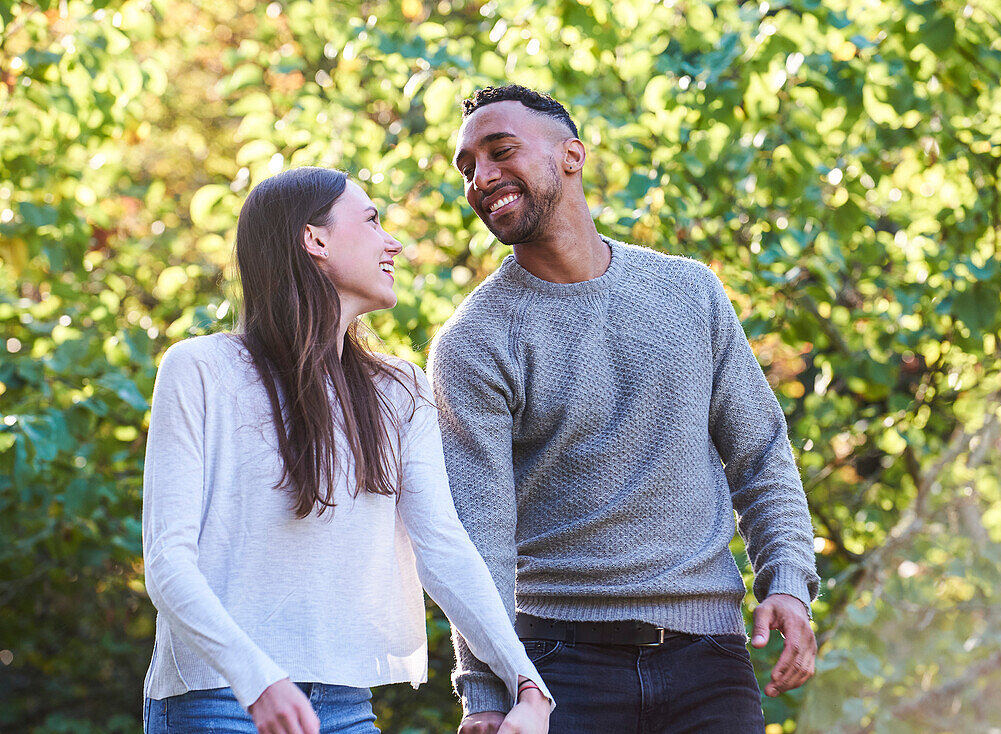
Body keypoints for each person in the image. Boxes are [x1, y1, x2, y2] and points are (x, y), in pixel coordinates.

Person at [427, 85, 820, 734]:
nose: (481, 177)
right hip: (557, 668)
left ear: (572, 156)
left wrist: (788, 582)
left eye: (500, 152)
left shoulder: (688, 291)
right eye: (467, 167)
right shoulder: (474, 342)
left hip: (710, 665)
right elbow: (480, 540)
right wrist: (488, 695)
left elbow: (761, 454)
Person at [141, 166, 553, 734]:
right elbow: (166, 563)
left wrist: (526, 681)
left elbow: (446, 551)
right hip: (216, 700)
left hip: (343, 707)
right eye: (372, 220)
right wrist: (256, 679)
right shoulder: (200, 370)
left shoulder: (400, 390)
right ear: (316, 240)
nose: (394, 242)